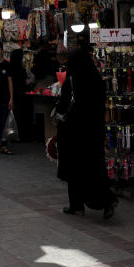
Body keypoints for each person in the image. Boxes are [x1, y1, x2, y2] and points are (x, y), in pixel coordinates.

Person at [55, 46, 117, 219]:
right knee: (95, 167)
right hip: (94, 131)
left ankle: (77, 206)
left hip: (74, 133)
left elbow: (64, 105)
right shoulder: (96, 79)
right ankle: (107, 199)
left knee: (74, 170)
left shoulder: (72, 80)